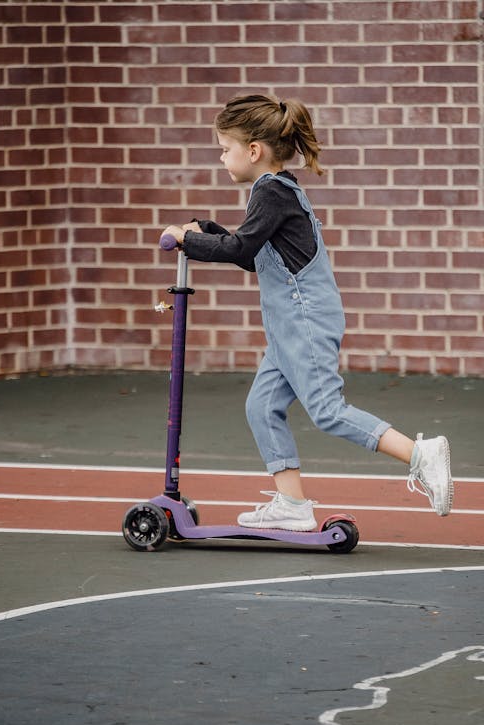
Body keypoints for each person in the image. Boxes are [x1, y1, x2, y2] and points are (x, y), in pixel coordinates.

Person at [161, 93, 453, 532]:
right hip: (287, 326)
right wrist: (205, 232)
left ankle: (420, 455)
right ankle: (292, 504)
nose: (222, 158)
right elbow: (251, 253)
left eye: (225, 149)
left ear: (253, 151)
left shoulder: (272, 192)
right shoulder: (276, 189)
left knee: (327, 410)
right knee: (262, 407)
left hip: (305, 320)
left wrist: (186, 241)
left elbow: (242, 247)